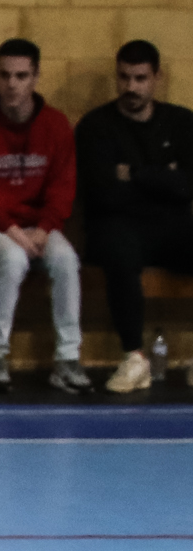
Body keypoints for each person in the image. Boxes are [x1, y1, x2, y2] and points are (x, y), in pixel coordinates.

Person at [0, 40, 87, 392]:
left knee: (66, 260)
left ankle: (68, 359)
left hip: (37, 225)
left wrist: (43, 230)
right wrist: (12, 231)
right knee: (13, 259)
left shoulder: (56, 125)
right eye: (5, 75)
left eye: (21, 76)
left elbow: (63, 188)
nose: (12, 84)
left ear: (36, 77)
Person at [77, 40, 193, 394]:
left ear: (157, 77)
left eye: (140, 78)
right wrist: (164, 177)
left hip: (170, 227)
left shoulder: (182, 123)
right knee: (119, 250)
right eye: (124, 77)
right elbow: (103, 193)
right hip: (116, 227)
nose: (131, 87)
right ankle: (134, 357)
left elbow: (187, 187)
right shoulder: (95, 126)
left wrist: (134, 173)